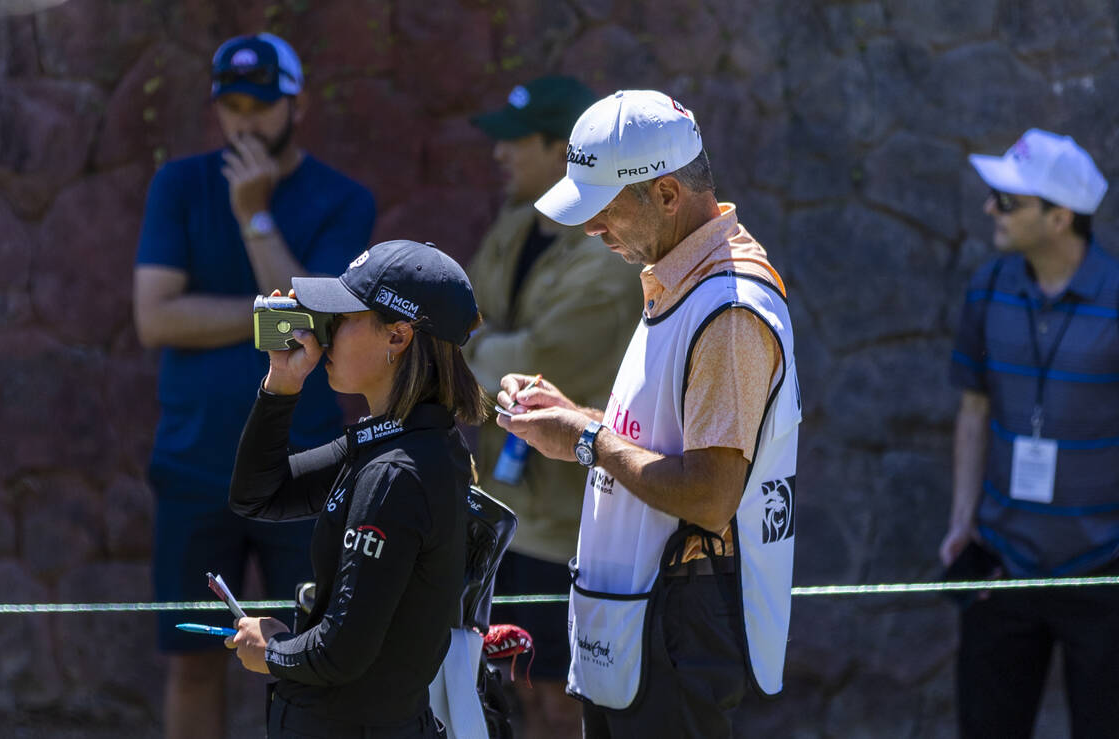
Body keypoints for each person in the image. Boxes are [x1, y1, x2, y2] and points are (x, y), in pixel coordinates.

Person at [495, 90, 801, 738]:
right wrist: (571, 418)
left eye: (603, 207)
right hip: (653, 624)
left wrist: (585, 437)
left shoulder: (729, 307)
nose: (591, 228)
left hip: (679, 629)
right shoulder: (682, 279)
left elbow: (710, 495)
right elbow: (655, 437)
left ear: (666, 194)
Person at [132, 32, 375, 739]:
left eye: (262, 105)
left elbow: (318, 323)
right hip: (195, 466)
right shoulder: (177, 185)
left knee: (312, 658)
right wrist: (271, 315)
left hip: (306, 471)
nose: (245, 121)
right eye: (232, 105)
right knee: (195, 660)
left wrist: (253, 216)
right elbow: (155, 317)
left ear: (294, 105)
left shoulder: (344, 199)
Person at [225, 239, 490, 738]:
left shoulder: (397, 472)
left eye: (342, 317)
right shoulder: (407, 441)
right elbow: (257, 495)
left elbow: (340, 652)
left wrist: (272, 651)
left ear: (398, 337)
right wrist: (281, 385)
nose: (323, 333)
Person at [464, 75, 642, 736]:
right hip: (506, 508)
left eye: (516, 142)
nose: (498, 155)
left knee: (565, 696)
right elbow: (468, 326)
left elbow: (540, 364)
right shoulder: (515, 226)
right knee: (515, 688)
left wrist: (482, 348)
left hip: (571, 522)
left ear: (561, 148)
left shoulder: (605, 258)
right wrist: (491, 347)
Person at [942, 128, 1118, 737]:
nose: (992, 209)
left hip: (1104, 570)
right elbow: (973, 408)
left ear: (1060, 216)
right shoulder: (990, 287)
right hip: (1002, 567)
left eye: (1009, 201)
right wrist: (963, 522)